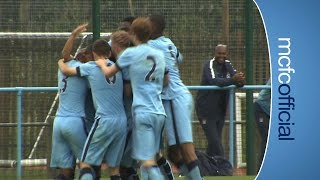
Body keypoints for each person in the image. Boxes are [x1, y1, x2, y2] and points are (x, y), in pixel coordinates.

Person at [95, 17, 166, 179]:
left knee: (147, 161)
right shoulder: (159, 55)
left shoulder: (130, 53)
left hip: (143, 112)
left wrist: (100, 63)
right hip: (160, 113)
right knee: (150, 160)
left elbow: (109, 72)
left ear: (133, 33)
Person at [58, 39, 127, 180]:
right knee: (114, 169)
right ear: (109, 53)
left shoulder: (90, 67)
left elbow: (66, 70)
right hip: (121, 121)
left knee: (86, 163)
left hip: (104, 120)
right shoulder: (116, 67)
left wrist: (60, 61)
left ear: (93, 53)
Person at [148, 14, 202, 180]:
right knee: (173, 152)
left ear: (154, 27)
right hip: (178, 96)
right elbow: (180, 58)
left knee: (186, 149)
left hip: (173, 98)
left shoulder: (151, 45)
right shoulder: (168, 42)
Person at [50, 23, 93, 180]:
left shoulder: (64, 64)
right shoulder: (86, 71)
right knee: (86, 162)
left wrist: (74, 35)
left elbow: (64, 53)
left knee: (65, 170)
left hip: (58, 122)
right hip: (75, 121)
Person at [195, 44, 245, 157]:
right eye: (219, 53)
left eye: (224, 53)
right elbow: (214, 81)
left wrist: (240, 80)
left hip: (220, 110)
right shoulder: (209, 65)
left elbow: (238, 81)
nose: (221, 56)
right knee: (215, 142)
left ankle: (210, 168)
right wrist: (233, 80)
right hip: (205, 110)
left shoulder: (228, 64)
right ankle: (225, 168)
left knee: (214, 143)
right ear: (215, 53)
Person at [254, 78, 271, 172]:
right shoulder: (281, 76)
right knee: (266, 138)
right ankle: (261, 170)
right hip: (261, 109)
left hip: (271, 112)